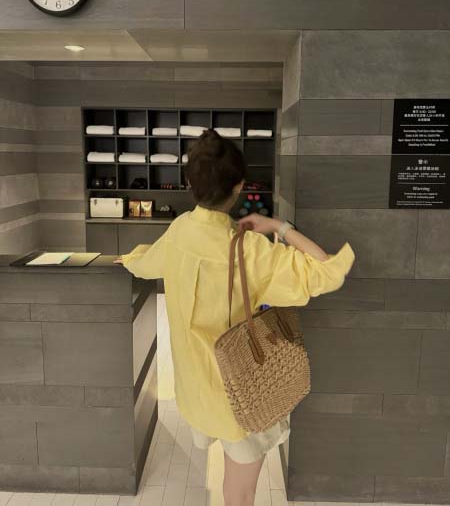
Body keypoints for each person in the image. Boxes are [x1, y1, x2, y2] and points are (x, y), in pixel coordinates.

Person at [115, 129, 355, 506]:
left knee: (232, 489)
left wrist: (126, 258)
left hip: (197, 391)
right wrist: (278, 227)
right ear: (239, 186)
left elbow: (146, 263)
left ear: (190, 184)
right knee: (240, 492)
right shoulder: (251, 251)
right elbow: (327, 271)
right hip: (245, 394)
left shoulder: (178, 232)